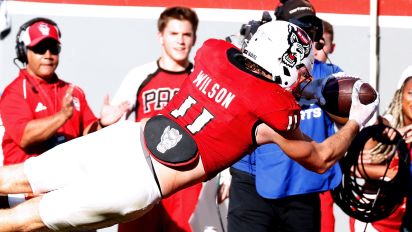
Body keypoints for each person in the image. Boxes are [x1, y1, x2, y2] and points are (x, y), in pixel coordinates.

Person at [0, 20, 378, 231]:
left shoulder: (215, 54)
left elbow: (241, 68)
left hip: (125, 141)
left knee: (14, 178)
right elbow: (321, 157)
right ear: (288, 64)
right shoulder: (273, 112)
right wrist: (356, 120)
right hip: (138, 182)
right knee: (20, 221)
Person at [226, 1, 344, 231]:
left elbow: (352, 110)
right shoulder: (257, 65)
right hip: (252, 182)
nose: (305, 36)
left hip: (302, 186)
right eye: (299, 29)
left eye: (311, 29)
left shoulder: (327, 73)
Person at [0, 17, 129, 205]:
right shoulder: (15, 91)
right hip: (24, 194)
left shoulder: (73, 91)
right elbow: (25, 137)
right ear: (23, 52)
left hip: (66, 193)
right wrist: (62, 116)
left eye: (53, 48)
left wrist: (102, 124)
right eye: (39, 48)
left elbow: (88, 135)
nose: (48, 54)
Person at [111, 6, 201, 232]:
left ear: (194, 38)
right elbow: (114, 124)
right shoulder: (139, 75)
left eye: (186, 34)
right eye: (174, 34)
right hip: (144, 176)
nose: (180, 41)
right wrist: (107, 121)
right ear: (160, 37)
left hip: (187, 178)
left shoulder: (201, 79)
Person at [350, 65, 412, 232]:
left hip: (401, 221)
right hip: (373, 221)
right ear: (400, 96)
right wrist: (391, 173)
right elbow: (351, 168)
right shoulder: (386, 127)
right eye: (411, 94)